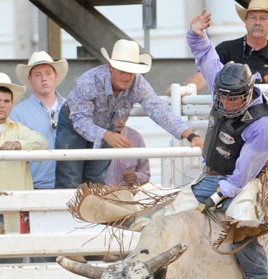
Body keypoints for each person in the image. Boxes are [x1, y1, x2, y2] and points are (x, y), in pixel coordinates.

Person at [188, 9, 268, 279]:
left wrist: (215, 197)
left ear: (247, 93)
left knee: (240, 229)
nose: (226, 103)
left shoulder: (262, 127)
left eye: (233, 98)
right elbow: (204, 56)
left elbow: (243, 173)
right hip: (212, 173)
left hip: (245, 180)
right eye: (223, 97)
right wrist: (197, 33)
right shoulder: (222, 83)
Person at [54, 39, 203, 188]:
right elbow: (80, 120)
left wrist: (191, 136)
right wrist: (107, 135)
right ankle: (68, 210)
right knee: (69, 179)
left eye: (131, 72)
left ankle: (89, 209)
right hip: (73, 125)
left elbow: (159, 110)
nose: (127, 77)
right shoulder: (89, 81)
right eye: (123, 71)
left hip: (106, 127)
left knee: (96, 180)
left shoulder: (137, 84)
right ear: (111, 67)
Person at [216, 0, 268, 145]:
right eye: (252, 17)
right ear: (245, 22)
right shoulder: (226, 50)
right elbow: (206, 74)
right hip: (230, 126)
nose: (257, 22)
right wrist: (188, 88)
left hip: (266, 126)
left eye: (263, 18)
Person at [11, 51, 68, 189]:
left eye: (48, 73)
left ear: (56, 76)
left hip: (72, 186)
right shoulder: (16, 114)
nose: (44, 78)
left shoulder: (74, 109)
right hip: (33, 187)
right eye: (37, 74)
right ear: (30, 80)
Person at [0, 73, 48, 233]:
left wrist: (19, 144)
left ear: (12, 105)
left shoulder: (18, 129)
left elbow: (42, 141)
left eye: (6, 101)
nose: (2, 105)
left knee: (15, 250)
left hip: (13, 202)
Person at [104, 118, 150, 186]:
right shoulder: (92, 135)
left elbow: (145, 174)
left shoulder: (136, 137)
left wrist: (136, 177)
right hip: (94, 194)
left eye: (125, 115)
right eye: (117, 117)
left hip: (125, 194)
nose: (121, 122)